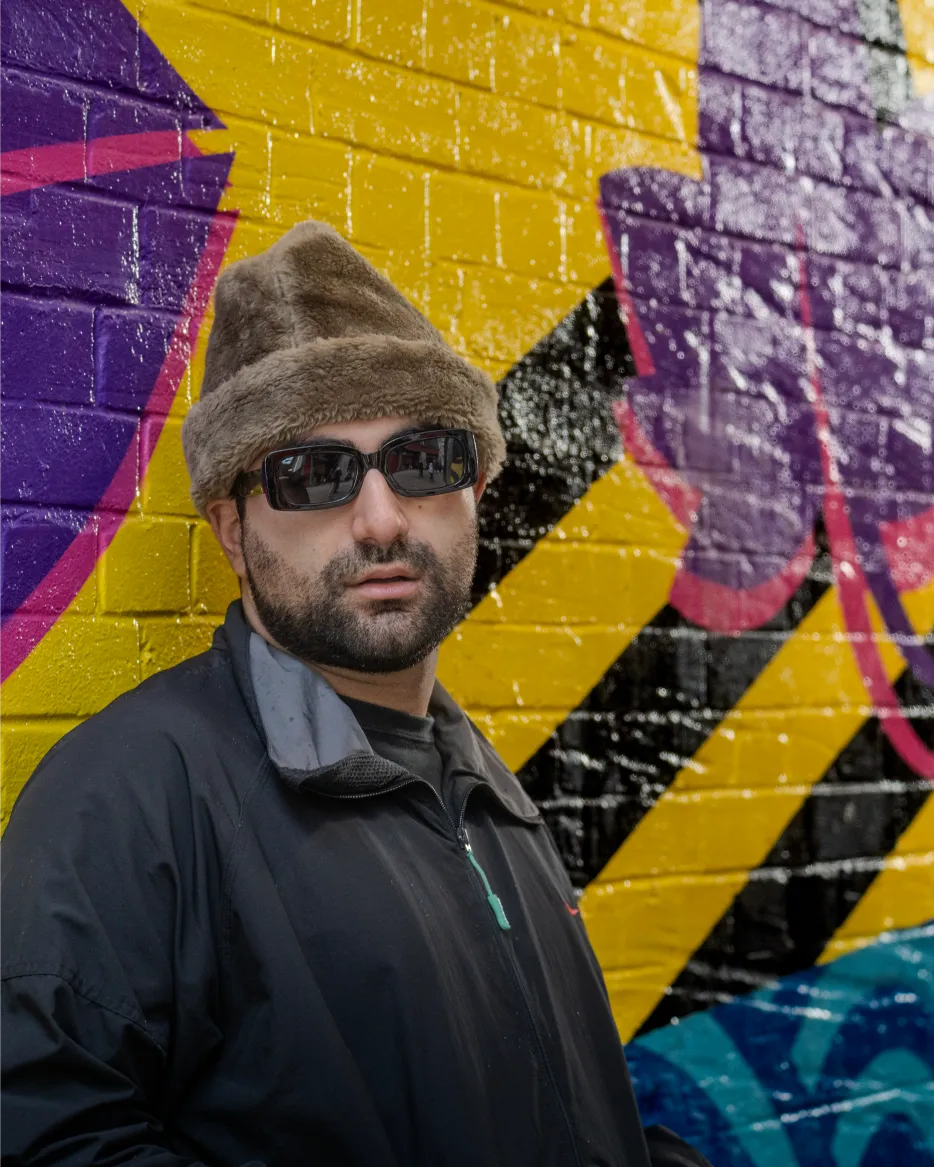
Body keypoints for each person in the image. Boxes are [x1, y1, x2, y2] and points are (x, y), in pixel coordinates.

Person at [0, 222, 712, 1167]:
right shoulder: (132, 796)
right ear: (229, 523)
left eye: (424, 459)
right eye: (313, 475)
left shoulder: (484, 788)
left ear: (478, 489)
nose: (380, 519)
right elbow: (51, 1143)